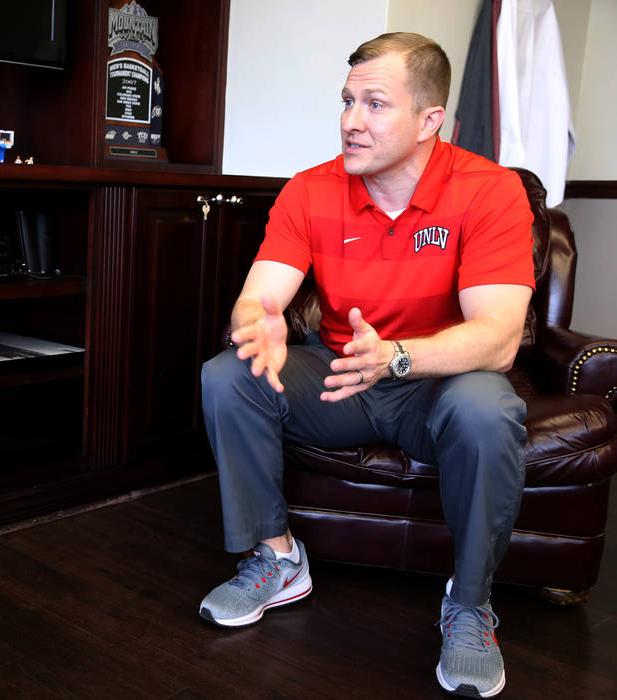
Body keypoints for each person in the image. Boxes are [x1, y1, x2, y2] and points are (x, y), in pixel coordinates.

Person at [199, 32, 534, 698]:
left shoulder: (489, 191)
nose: (352, 120)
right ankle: (277, 557)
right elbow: (259, 295)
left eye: (375, 104)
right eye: (348, 101)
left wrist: (399, 357)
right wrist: (254, 319)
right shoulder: (310, 191)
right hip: (340, 375)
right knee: (229, 374)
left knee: (488, 407)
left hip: (436, 383)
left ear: (429, 120)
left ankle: (469, 605)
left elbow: (498, 339)